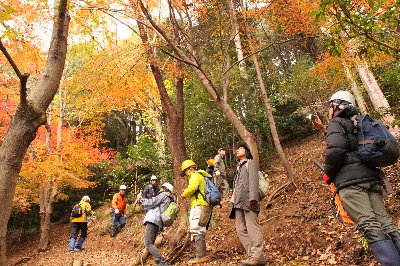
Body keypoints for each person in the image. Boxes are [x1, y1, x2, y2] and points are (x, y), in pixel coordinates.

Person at [314, 91, 400, 265]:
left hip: (352, 183)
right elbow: (350, 145)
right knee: (385, 222)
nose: (329, 109)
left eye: (330, 105)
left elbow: (336, 150)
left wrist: (328, 174)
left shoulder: (336, 123)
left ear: (338, 105)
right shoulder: (357, 122)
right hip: (371, 179)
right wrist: (324, 130)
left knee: (369, 225)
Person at [232, 141, 266, 266]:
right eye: (237, 149)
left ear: (246, 151)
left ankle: (257, 256)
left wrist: (253, 199)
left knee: (253, 228)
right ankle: (253, 255)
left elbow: (253, 181)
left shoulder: (250, 163)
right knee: (240, 229)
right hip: (238, 202)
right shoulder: (238, 167)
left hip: (249, 200)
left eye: (240, 148)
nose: (237, 150)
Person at [180, 160, 210, 264]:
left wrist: (184, 194)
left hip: (199, 206)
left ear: (189, 169)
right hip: (201, 205)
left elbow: (192, 187)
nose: (185, 174)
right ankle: (201, 255)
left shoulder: (195, 175)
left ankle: (201, 256)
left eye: (185, 171)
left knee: (197, 230)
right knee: (197, 229)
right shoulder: (200, 175)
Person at [140, 183, 175, 266]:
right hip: (158, 223)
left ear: (165, 189)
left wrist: (142, 199)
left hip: (153, 220)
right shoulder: (169, 199)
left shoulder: (163, 195)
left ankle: (161, 262)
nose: (160, 189)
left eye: (162, 187)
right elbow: (149, 206)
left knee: (148, 244)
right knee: (150, 243)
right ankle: (159, 262)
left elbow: (151, 202)